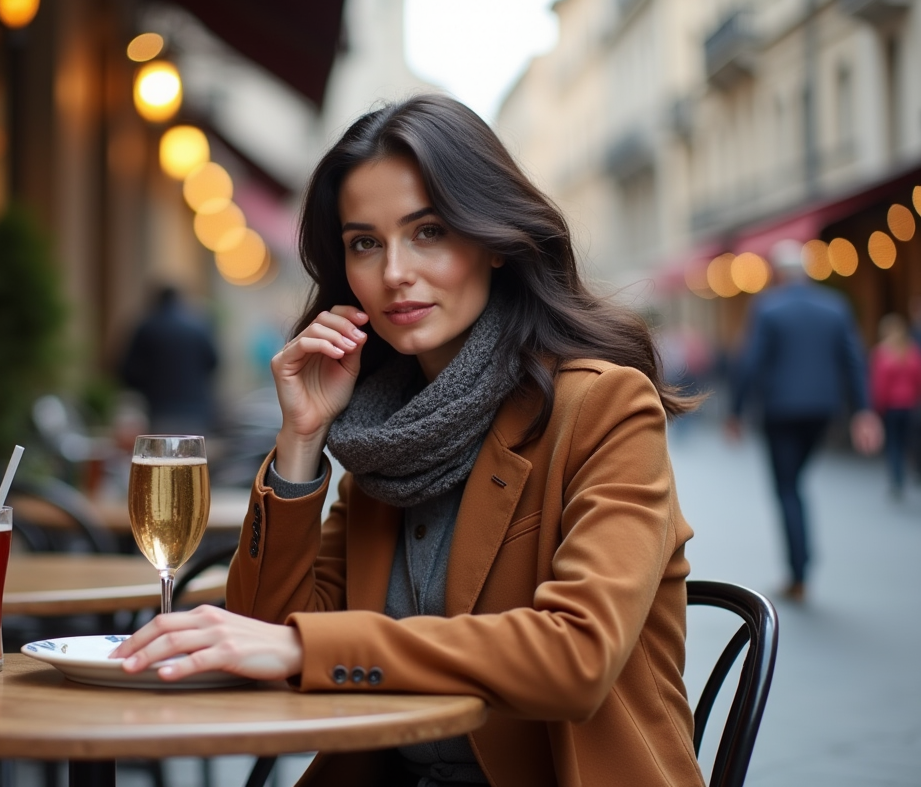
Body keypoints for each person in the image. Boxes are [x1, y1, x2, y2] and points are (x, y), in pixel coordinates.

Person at [112, 95, 705, 786]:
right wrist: (302, 437)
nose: (394, 272)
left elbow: (577, 656)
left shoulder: (603, 407)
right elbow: (265, 632)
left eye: (428, 232)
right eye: (365, 243)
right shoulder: (384, 440)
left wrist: (306, 649)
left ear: (494, 242)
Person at [726, 240, 882, 603]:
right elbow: (854, 360)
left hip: (780, 410)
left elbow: (751, 361)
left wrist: (735, 411)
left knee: (787, 487)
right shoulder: (835, 306)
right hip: (823, 410)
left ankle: (799, 572)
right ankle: (802, 561)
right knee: (795, 483)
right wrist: (863, 409)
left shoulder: (767, 307)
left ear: (778, 273)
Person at [118, 284, 219, 435]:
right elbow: (214, 363)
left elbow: (128, 370)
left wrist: (149, 385)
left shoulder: (146, 328)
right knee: (194, 447)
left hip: (160, 410)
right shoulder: (198, 327)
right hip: (196, 411)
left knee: (162, 447)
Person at [869, 313, 921, 499]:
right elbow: (918, 379)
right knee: (909, 441)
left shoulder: (882, 353)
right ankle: (913, 471)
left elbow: (880, 384)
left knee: (894, 443)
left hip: (891, 406)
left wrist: (877, 406)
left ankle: (897, 479)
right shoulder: (911, 351)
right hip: (910, 404)